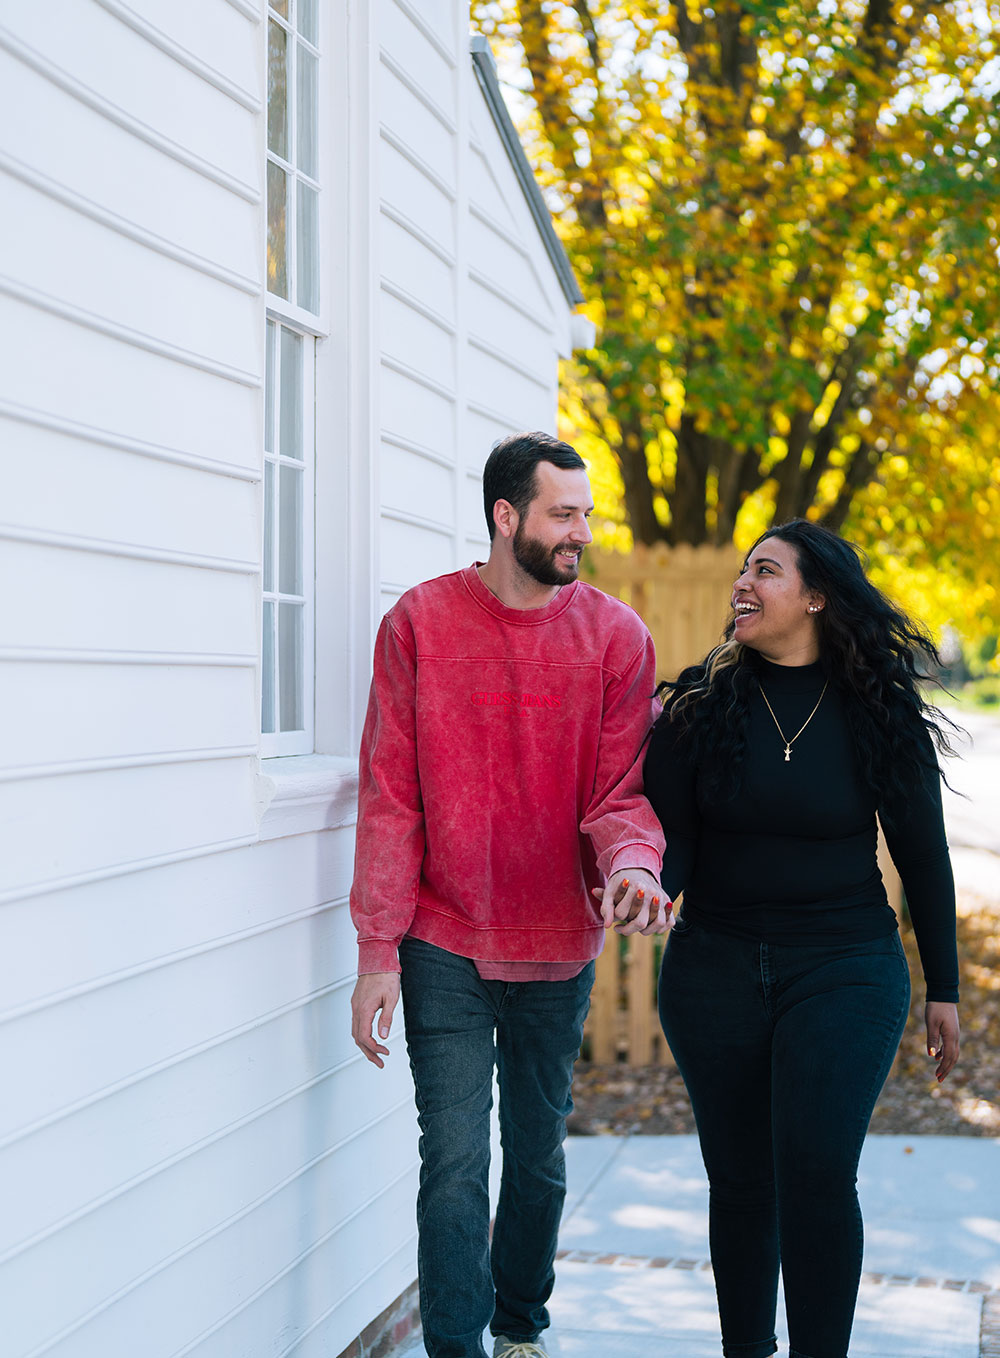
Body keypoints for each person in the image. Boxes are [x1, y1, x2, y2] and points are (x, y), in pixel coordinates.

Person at [350, 431, 670, 1358]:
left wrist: (632, 869)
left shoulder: (616, 637)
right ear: (506, 516)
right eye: (563, 514)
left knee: (535, 1159)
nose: (581, 532)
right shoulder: (419, 625)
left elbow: (622, 794)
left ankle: (521, 1327)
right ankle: (458, 1348)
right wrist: (378, 952)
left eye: (585, 515)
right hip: (442, 937)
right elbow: (390, 793)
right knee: (453, 1164)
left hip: (559, 942)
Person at [642, 518, 960, 1358]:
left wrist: (945, 991)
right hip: (713, 967)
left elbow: (923, 857)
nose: (744, 583)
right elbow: (673, 843)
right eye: (742, 571)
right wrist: (648, 884)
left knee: (816, 1177)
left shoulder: (878, 713)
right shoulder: (698, 711)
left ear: (816, 596)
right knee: (742, 1184)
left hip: (845, 964)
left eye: (767, 572)